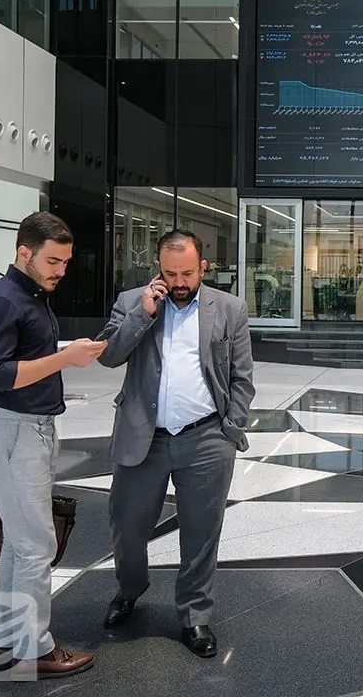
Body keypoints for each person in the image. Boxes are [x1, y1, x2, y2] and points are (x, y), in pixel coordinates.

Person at [97, 230, 255, 659]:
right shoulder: (133, 301)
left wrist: (230, 427)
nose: (180, 282)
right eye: (171, 274)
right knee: (127, 525)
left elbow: (242, 377)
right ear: (158, 269)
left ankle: (194, 615)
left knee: (201, 533)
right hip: (143, 437)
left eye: (187, 273)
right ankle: (129, 590)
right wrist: (143, 314)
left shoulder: (230, 308)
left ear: (203, 267)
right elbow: (108, 355)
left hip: (205, 439)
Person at [0, 211, 106, 680]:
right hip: (13, 431)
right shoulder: (0, 301)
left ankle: (7, 641)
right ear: (23, 252)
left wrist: (66, 353)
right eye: (52, 261)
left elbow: (25, 359)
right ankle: (34, 650)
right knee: (35, 546)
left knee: (20, 542)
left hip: (32, 430)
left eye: (66, 262)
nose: (60, 271)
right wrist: (64, 358)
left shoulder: (31, 296)